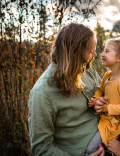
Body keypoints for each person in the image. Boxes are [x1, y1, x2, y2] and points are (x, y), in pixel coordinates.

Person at [28, 23, 105, 156]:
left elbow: (104, 93)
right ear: (75, 54)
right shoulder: (42, 93)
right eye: (90, 51)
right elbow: (41, 148)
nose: (95, 54)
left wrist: (104, 100)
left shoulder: (87, 68)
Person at [86, 38, 120, 154]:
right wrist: (94, 98)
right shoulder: (108, 75)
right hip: (102, 118)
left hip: (112, 125)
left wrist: (107, 108)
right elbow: (100, 89)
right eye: (104, 51)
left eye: (107, 51)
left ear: (119, 58)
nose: (102, 54)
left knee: (90, 149)